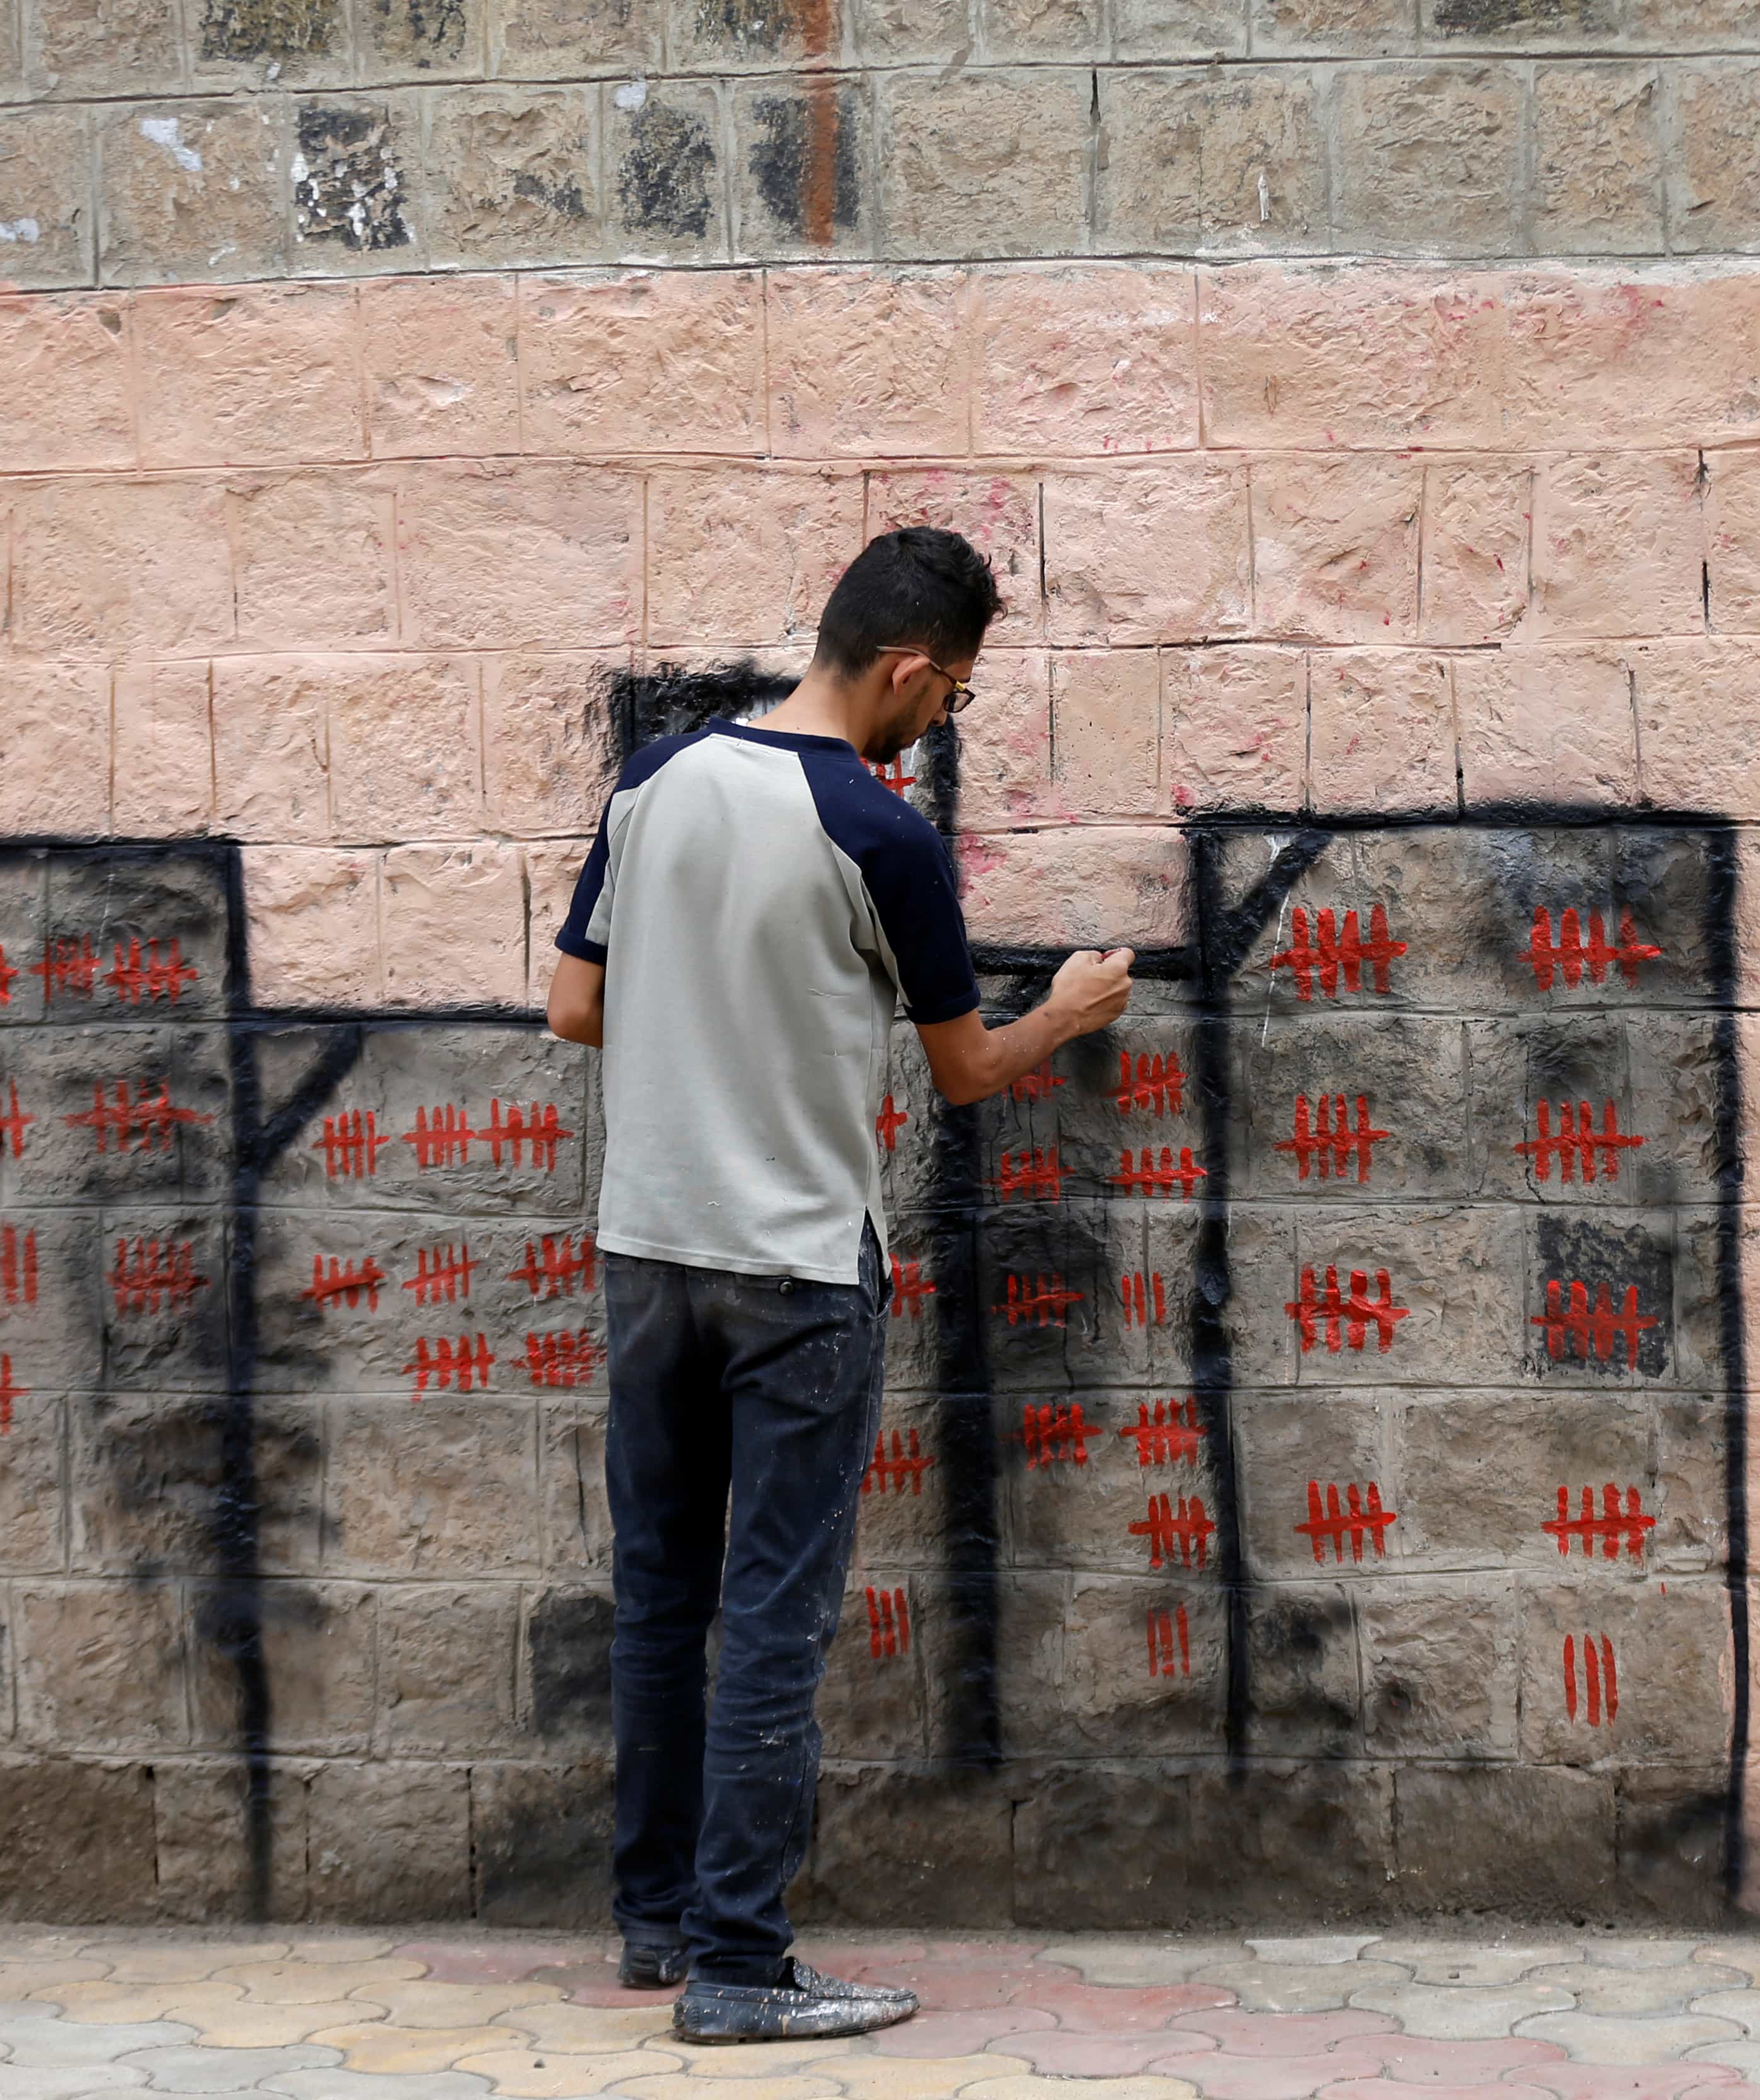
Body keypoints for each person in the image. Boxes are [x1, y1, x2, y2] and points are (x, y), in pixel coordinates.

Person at [545, 528, 1134, 2045]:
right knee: (774, 1618)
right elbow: (963, 1067)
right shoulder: (880, 835)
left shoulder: (655, 781)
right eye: (955, 697)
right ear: (909, 671)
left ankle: (656, 1922)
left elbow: (573, 1007)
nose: (945, 724)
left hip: (646, 1253)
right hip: (797, 1271)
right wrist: (1064, 1012)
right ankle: (744, 1970)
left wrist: (711, 1025)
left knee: (664, 1600)